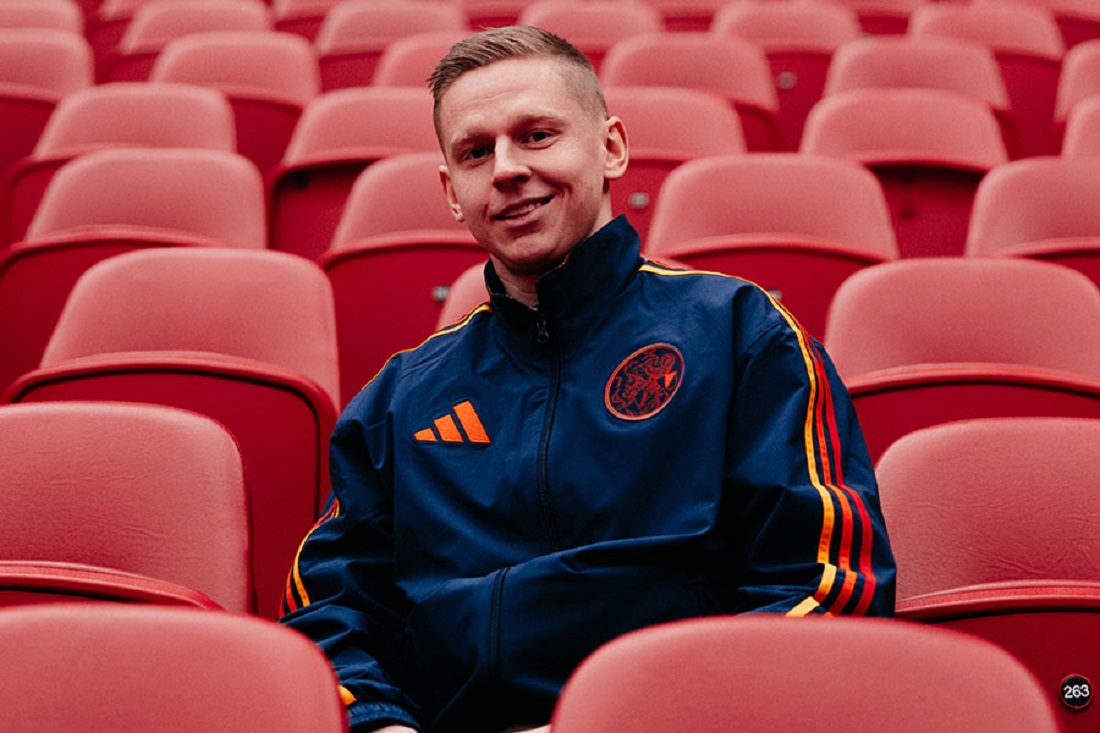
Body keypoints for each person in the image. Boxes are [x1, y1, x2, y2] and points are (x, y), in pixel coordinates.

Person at [279, 25, 896, 733]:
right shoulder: (401, 398)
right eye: (476, 152)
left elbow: (826, 585)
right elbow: (325, 608)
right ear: (452, 191)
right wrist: (380, 723)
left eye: (537, 135)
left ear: (611, 148)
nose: (507, 169)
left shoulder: (739, 333)